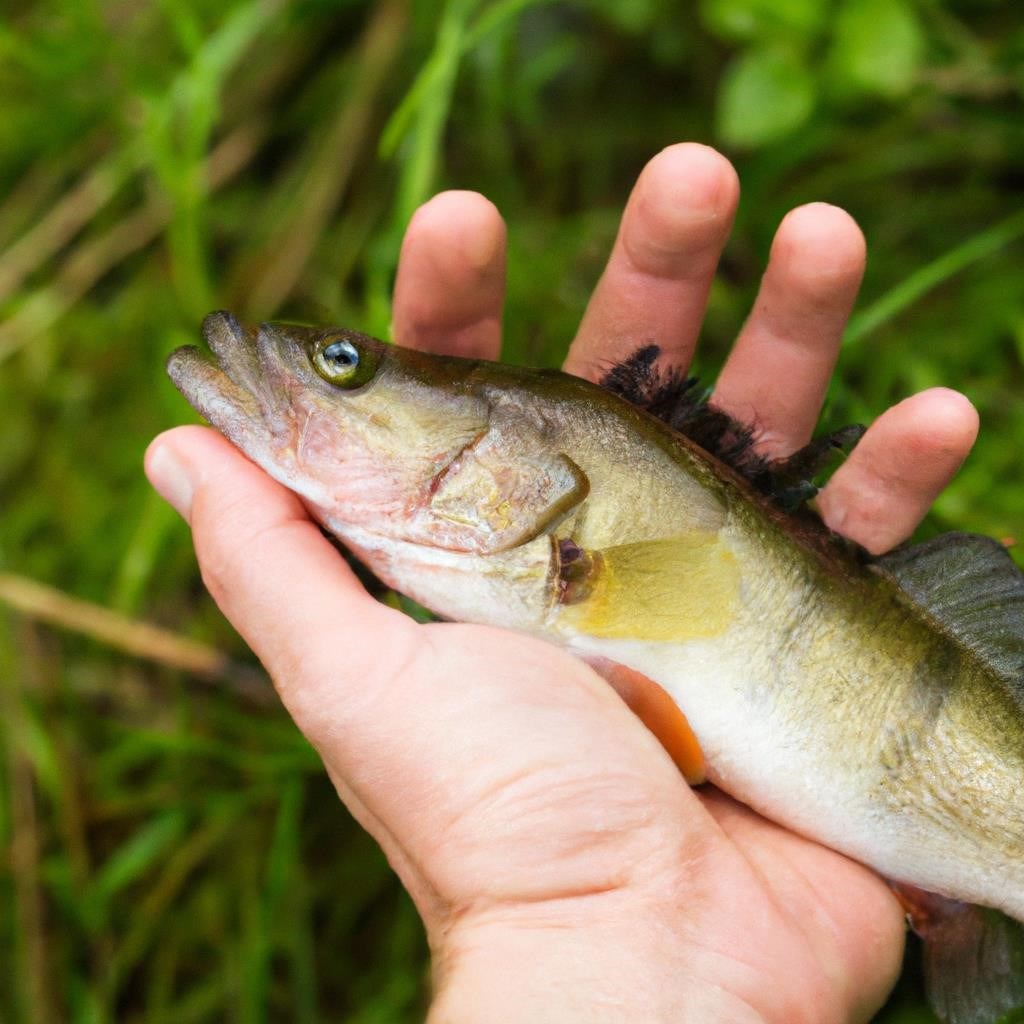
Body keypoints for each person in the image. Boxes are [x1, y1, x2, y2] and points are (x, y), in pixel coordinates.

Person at [145, 143, 979, 1022]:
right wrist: (596, 921)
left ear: (517, 458)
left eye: (342, 366)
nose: (313, 369)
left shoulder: (570, 553)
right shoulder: (537, 548)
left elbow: (698, 599)